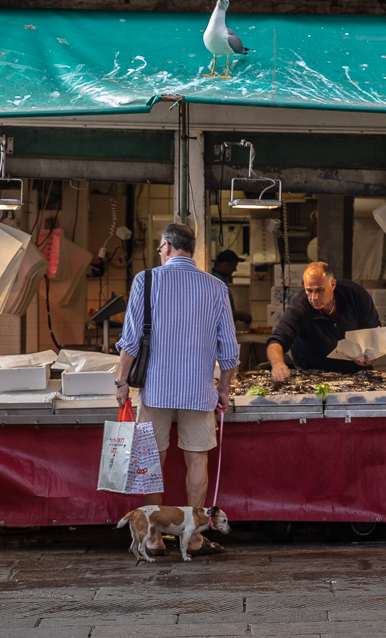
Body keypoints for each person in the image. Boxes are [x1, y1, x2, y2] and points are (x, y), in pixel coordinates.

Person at [114, 224, 239, 558]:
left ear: (166, 246)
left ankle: (153, 538)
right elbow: (229, 349)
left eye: (159, 248)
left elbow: (129, 342)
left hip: (155, 390)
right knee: (197, 458)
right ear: (191, 250)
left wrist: (121, 382)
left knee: (151, 462)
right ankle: (194, 538)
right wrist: (223, 390)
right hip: (200, 392)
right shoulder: (216, 287)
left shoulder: (146, 280)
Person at [267, 261, 381, 380]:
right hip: (311, 374)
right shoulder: (299, 307)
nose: (314, 298)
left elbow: (373, 330)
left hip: (355, 371)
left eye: (319, 290)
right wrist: (277, 363)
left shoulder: (355, 294)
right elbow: (277, 339)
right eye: (309, 290)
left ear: (332, 285)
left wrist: (372, 355)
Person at [210, 248, 253, 325]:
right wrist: (241, 315)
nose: (235, 270)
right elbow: (219, 311)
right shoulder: (217, 280)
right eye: (234, 266)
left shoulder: (220, 279)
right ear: (225, 265)